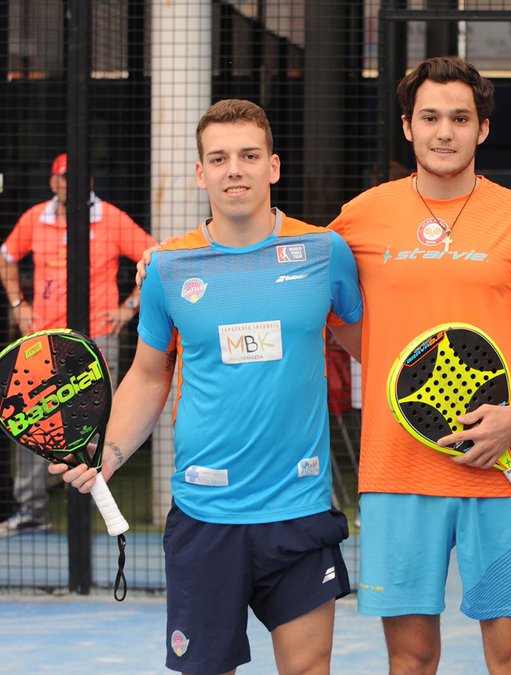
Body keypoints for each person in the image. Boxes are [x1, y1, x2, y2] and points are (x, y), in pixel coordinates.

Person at [51, 99, 363, 674]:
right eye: (218, 158)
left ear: (274, 165)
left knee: (308, 669)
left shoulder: (325, 253)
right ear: (201, 172)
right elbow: (149, 376)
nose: (234, 169)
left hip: (298, 508)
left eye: (248, 155)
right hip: (205, 514)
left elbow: (366, 343)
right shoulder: (167, 267)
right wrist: (108, 454)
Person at [328, 56, 511, 674]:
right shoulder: (359, 218)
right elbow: (311, 295)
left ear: (482, 129)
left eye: (460, 118)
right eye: (430, 117)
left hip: (506, 467)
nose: (444, 132)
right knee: (410, 660)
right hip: (397, 472)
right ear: (407, 127)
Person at [0, 153, 156, 536]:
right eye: (64, 177)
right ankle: (33, 512)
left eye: (79, 177)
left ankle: (95, 515)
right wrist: (20, 306)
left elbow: (155, 260)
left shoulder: (111, 218)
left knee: (100, 425)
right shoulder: (35, 218)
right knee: (35, 423)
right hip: (43, 345)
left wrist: (128, 309)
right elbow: (5, 258)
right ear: (53, 182)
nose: (71, 183)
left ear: (89, 182)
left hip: (93, 342)